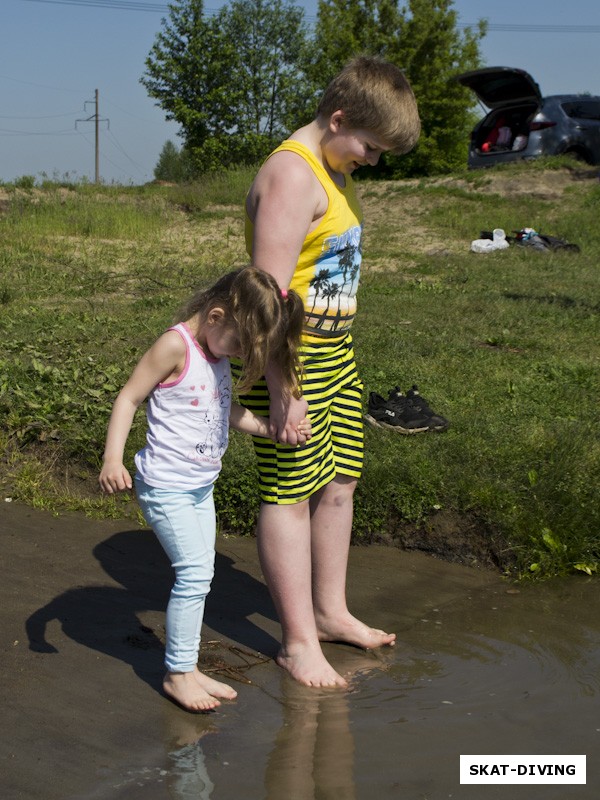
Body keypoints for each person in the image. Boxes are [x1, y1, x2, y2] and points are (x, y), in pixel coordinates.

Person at [239, 55, 421, 688]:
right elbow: (268, 296)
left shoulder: (333, 168)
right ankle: (296, 643)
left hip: (336, 356)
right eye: (369, 147)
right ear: (339, 119)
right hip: (294, 363)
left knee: (339, 482)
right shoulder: (293, 174)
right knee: (289, 494)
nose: (371, 160)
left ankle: (330, 611)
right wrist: (283, 389)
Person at [99, 267, 308, 712]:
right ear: (215, 316)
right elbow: (128, 398)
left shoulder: (216, 354)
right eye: (238, 345)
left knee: (201, 575)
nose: (237, 355)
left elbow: (224, 409)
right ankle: (177, 674)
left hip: (199, 487)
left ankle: (188, 667)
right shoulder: (176, 345)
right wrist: (112, 459)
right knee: (194, 574)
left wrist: (271, 429)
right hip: (166, 487)